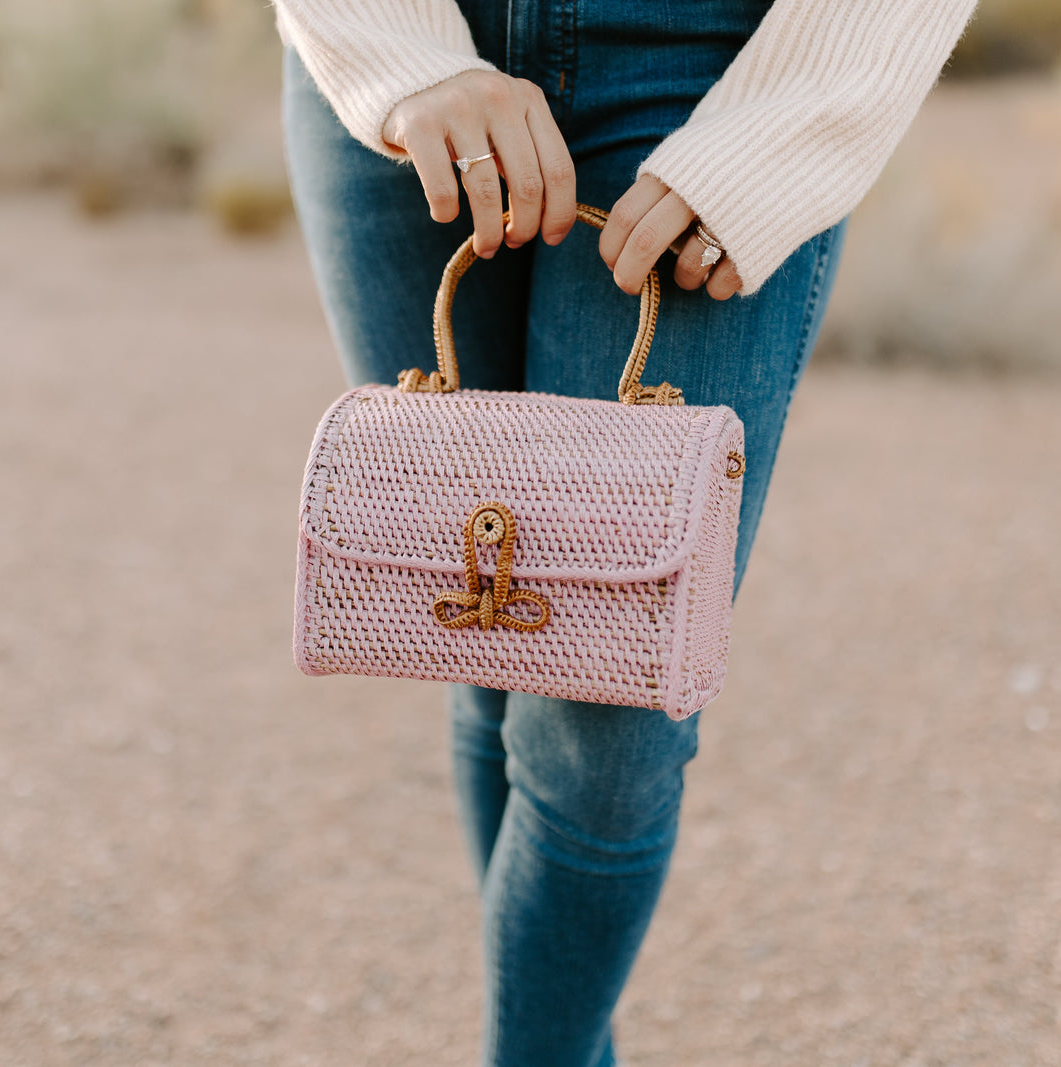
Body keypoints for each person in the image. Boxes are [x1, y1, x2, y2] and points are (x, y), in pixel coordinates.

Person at [274, 1, 977, 1063]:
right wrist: (397, 54)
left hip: (708, 72)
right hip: (404, 63)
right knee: (488, 636)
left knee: (606, 727)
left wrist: (789, 126)